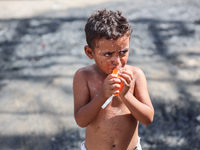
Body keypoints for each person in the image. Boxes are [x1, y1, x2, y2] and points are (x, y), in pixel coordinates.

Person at [73, 9, 154, 150]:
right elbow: (81, 121)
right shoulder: (84, 76)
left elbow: (147, 119)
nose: (117, 61)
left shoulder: (135, 75)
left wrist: (126, 95)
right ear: (90, 52)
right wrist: (102, 95)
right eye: (108, 54)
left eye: (123, 52)